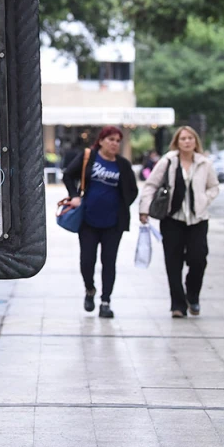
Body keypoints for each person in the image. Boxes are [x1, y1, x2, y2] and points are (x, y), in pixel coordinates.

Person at [139, 126, 220, 317]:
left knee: (198, 259)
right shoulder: (167, 161)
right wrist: (144, 209)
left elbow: (214, 187)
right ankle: (178, 305)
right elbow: (151, 185)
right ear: (177, 141)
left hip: (197, 219)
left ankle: (192, 295)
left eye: (190, 138)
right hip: (172, 218)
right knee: (173, 262)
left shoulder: (204, 163)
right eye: (183, 138)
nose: (187, 141)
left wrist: (204, 199)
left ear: (196, 141)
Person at [61, 126, 139, 318]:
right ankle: (90, 290)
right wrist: (74, 196)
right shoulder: (89, 156)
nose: (115, 143)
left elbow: (132, 190)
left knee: (109, 262)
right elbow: (68, 175)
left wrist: (121, 205)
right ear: (102, 140)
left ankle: (106, 301)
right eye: (111, 139)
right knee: (87, 261)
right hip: (88, 220)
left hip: (113, 224)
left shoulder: (123, 164)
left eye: (118, 140)